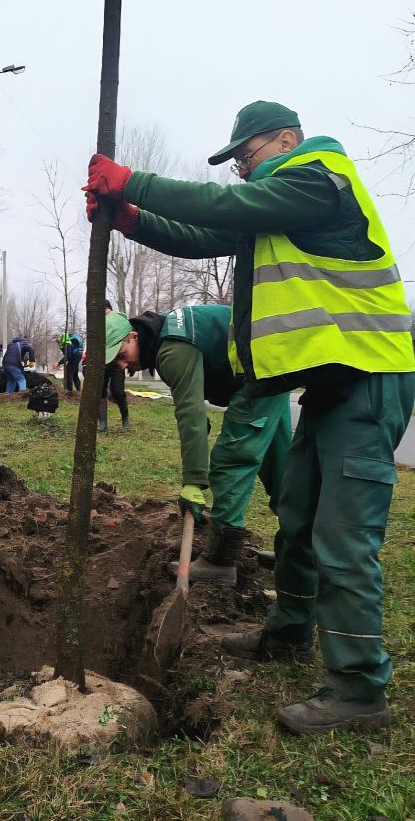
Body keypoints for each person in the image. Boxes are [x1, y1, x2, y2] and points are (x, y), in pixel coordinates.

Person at [85, 99, 415, 735]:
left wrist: (136, 182)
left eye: (246, 157)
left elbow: (225, 209)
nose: (241, 172)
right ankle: (289, 633)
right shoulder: (278, 207)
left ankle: (358, 687)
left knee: (343, 539)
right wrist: (131, 219)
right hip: (332, 383)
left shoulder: (320, 179)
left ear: (287, 138)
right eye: (236, 164)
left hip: (371, 378)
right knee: (296, 516)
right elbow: (202, 233)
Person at [104, 305, 290, 585]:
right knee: (282, 469)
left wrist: (194, 481)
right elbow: (196, 417)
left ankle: (221, 560)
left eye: (121, 356)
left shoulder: (172, 351)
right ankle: (300, 552)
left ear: (133, 336)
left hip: (260, 373)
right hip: (273, 363)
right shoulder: (169, 337)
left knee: (231, 460)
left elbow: (191, 414)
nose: (122, 365)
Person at [100, 300, 130, 432]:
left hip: (117, 361)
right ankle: (102, 423)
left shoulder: (116, 320)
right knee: (100, 391)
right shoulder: (102, 322)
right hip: (102, 362)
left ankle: (126, 418)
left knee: (117, 391)